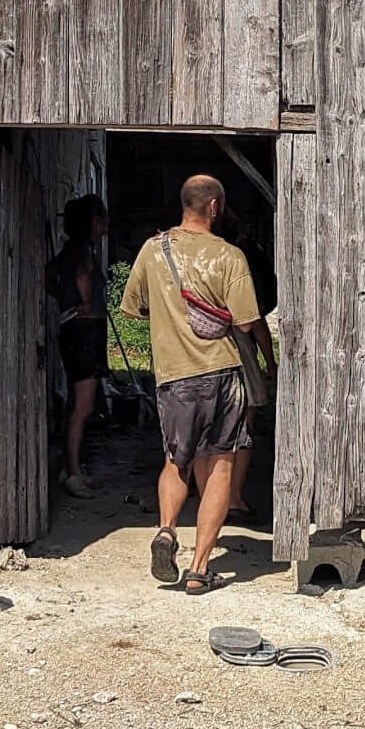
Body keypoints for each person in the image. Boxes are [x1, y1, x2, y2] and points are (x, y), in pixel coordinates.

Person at [119, 175, 272, 594]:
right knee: (220, 464)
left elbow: (133, 308)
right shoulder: (229, 255)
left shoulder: (152, 250)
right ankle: (200, 568)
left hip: (173, 376)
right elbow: (245, 320)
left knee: (175, 461)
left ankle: (167, 530)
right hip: (220, 372)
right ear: (215, 207)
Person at [48, 195, 108, 500]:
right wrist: (84, 303)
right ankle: (72, 472)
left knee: (76, 402)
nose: (105, 225)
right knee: (83, 407)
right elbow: (83, 275)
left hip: (73, 330)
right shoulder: (83, 251)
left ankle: (72, 467)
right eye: (102, 219)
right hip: (85, 332)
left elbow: (48, 276)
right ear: (93, 222)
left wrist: (65, 303)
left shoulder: (69, 250)